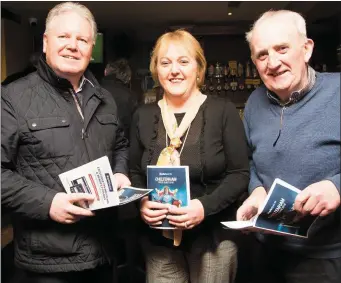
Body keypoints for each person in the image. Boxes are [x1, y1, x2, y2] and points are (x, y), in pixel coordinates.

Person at [1, 2, 130, 283]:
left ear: (91, 47)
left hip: (103, 252)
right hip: (48, 263)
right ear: (46, 42)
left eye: (82, 39)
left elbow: (119, 144)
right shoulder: (11, 97)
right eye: (64, 37)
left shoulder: (105, 98)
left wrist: (120, 172)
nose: (73, 46)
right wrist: (49, 202)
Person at [129, 29, 250, 283]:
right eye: (165, 63)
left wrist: (204, 207)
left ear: (198, 68)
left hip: (213, 239)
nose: (175, 70)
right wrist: (141, 202)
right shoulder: (142, 115)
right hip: (158, 240)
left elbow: (239, 174)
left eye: (184, 61)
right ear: (156, 70)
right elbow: (134, 171)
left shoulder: (223, 111)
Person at [237, 10, 340, 283]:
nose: (273, 62)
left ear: (306, 49)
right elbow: (251, 161)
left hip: (327, 258)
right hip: (264, 252)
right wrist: (256, 190)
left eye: (282, 48)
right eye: (262, 54)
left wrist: (337, 186)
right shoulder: (254, 103)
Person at [101, 59, 138, 138]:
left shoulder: (92, 90)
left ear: (105, 72)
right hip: (123, 144)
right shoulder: (131, 96)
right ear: (128, 77)